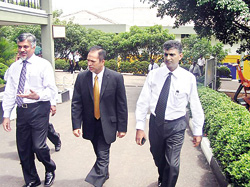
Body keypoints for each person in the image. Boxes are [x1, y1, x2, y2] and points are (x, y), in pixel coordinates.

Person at [135, 40, 204, 187]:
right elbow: (143, 101)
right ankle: (163, 177)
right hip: (156, 123)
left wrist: (198, 131)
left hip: (176, 125)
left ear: (180, 56)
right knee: (158, 157)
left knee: (172, 163)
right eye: (166, 54)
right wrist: (140, 127)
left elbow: (195, 105)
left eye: (172, 54)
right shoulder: (154, 75)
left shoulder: (188, 78)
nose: (168, 58)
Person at [2, 33, 57, 187]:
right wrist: (6, 115)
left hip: (39, 109)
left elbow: (51, 90)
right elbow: (10, 92)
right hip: (22, 111)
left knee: (39, 146)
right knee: (24, 148)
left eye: (25, 46)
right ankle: (32, 179)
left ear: (33, 47)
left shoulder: (43, 65)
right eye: (20, 47)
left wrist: (37, 96)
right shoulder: (15, 67)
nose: (22, 50)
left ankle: (49, 168)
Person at [71, 45, 128, 187]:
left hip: (108, 123)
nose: (89, 64)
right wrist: (76, 125)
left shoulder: (116, 78)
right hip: (90, 123)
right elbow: (76, 103)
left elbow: (121, 105)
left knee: (103, 153)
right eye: (88, 60)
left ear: (102, 61)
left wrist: (122, 127)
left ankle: (96, 181)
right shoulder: (82, 77)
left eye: (93, 61)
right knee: (98, 151)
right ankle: (104, 173)